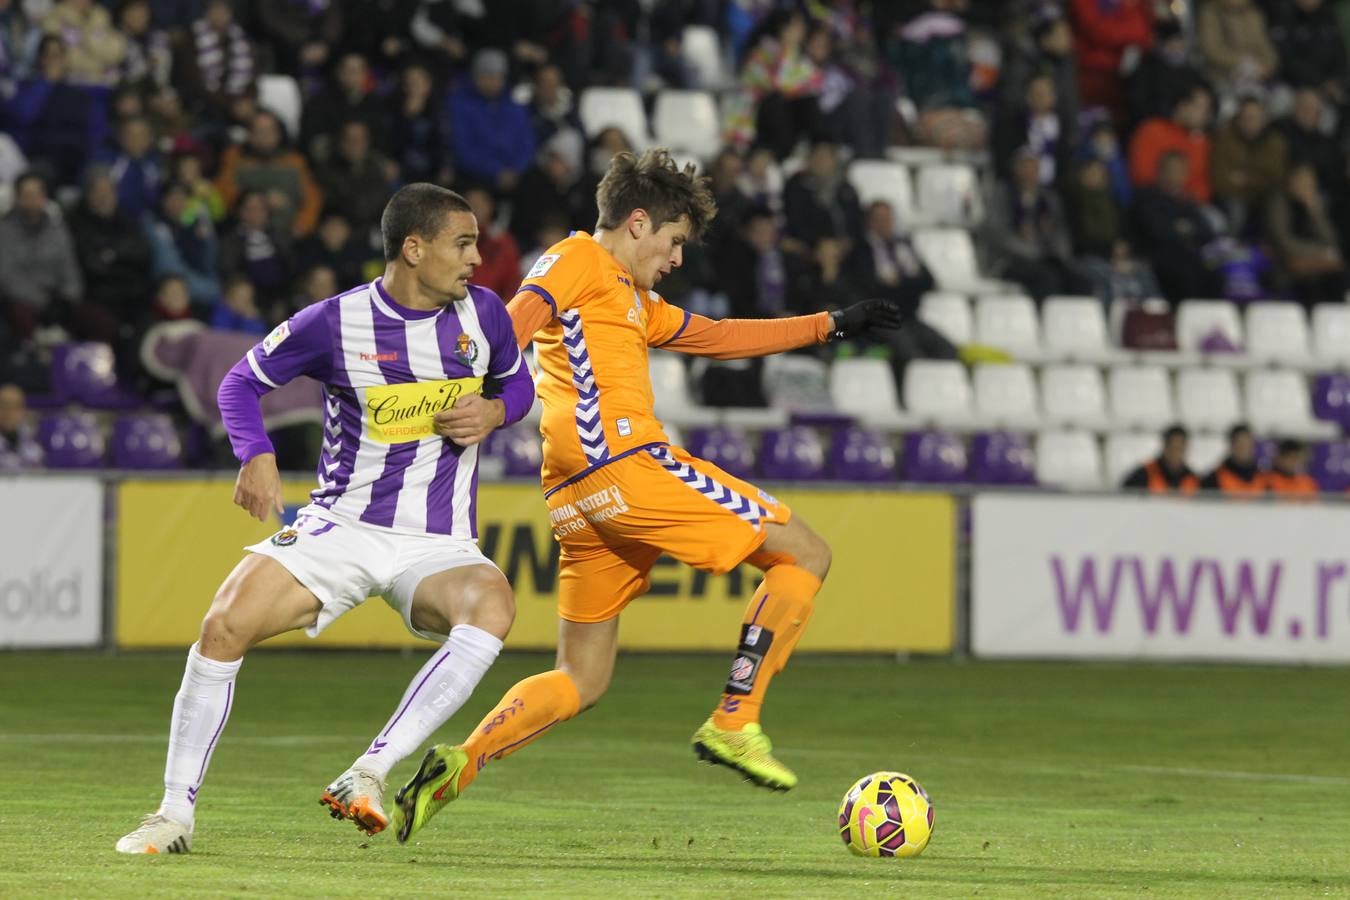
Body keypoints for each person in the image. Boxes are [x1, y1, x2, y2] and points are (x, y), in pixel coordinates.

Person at [388, 148, 902, 843]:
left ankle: (462, 761)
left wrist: (828, 324)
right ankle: (735, 720)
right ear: (637, 223)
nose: (678, 259)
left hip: (576, 498)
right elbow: (514, 321)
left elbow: (716, 336)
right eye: (675, 241)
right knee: (805, 554)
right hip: (625, 465)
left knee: (581, 676)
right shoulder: (577, 260)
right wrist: (478, 390)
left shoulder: (626, 296)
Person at [114, 183, 536, 855]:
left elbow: (518, 384)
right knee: (222, 626)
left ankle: (368, 771)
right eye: (462, 244)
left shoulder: (484, 314)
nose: (476, 259)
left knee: (492, 607)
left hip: (438, 542)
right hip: (341, 527)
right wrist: (255, 455)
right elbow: (239, 383)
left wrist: (496, 410)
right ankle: (172, 817)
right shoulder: (336, 322)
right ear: (413, 247)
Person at [1129, 86, 1213, 205]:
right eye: (1200, 107)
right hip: (1154, 202)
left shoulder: (1202, 142)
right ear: (1182, 106)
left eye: (1207, 110)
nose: (1205, 115)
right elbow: (1142, 175)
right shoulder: (1152, 130)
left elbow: (1203, 184)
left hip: (1191, 206)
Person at [1122, 425, 1198, 494]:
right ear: (1165, 446)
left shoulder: (1193, 479)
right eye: (1172, 447)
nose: (1176, 452)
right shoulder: (1144, 474)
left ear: (1186, 447)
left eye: (1179, 448)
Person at [1199, 423, 1263, 494]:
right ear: (1231, 445)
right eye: (1240, 443)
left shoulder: (1264, 478)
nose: (1244, 448)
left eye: (1247, 444)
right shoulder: (1214, 479)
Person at [0, 382, 42, 470]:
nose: (9, 412)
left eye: (16, 406)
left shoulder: (34, 446)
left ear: (23, 410)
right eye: (4, 405)